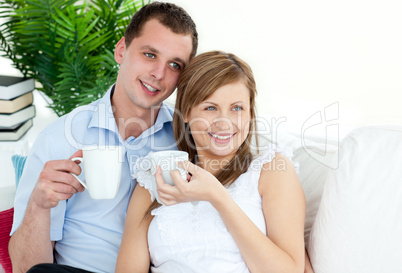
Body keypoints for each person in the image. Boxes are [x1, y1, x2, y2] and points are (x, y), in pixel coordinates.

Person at [8, 2, 198, 273]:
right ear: (121, 50)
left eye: (174, 64)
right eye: (149, 54)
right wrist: (39, 205)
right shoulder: (59, 139)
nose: (159, 74)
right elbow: (27, 268)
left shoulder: (188, 140)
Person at [116, 51, 306, 272]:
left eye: (237, 108)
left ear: (250, 113)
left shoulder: (272, 171)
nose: (224, 123)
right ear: (186, 112)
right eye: (210, 108)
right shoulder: (154, 179)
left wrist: (217, 197)